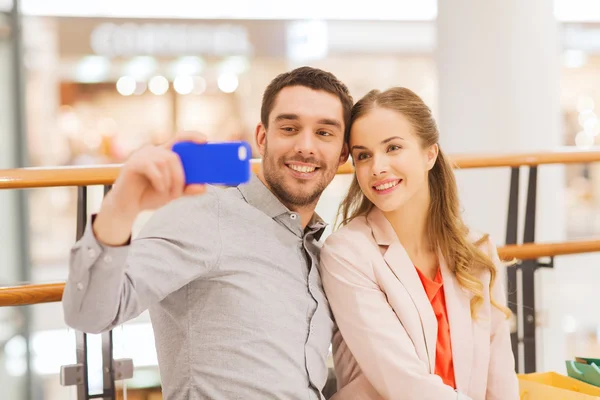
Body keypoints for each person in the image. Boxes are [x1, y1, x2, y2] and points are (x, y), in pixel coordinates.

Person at [62, 66, 352, 400]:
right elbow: (88, 313)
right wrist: (123, 203)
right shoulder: (204, 211)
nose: (305, 146)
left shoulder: (319, 250)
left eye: (324, 133)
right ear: (262, 137)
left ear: (342, 153)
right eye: (289, 128)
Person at [319, 87, 519, 400]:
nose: (377, 167)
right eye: (363, 155)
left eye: (393, 148)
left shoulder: (477, 250)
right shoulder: (346, 253)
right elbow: (403, 383)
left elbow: (500, 376)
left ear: (430, 153)